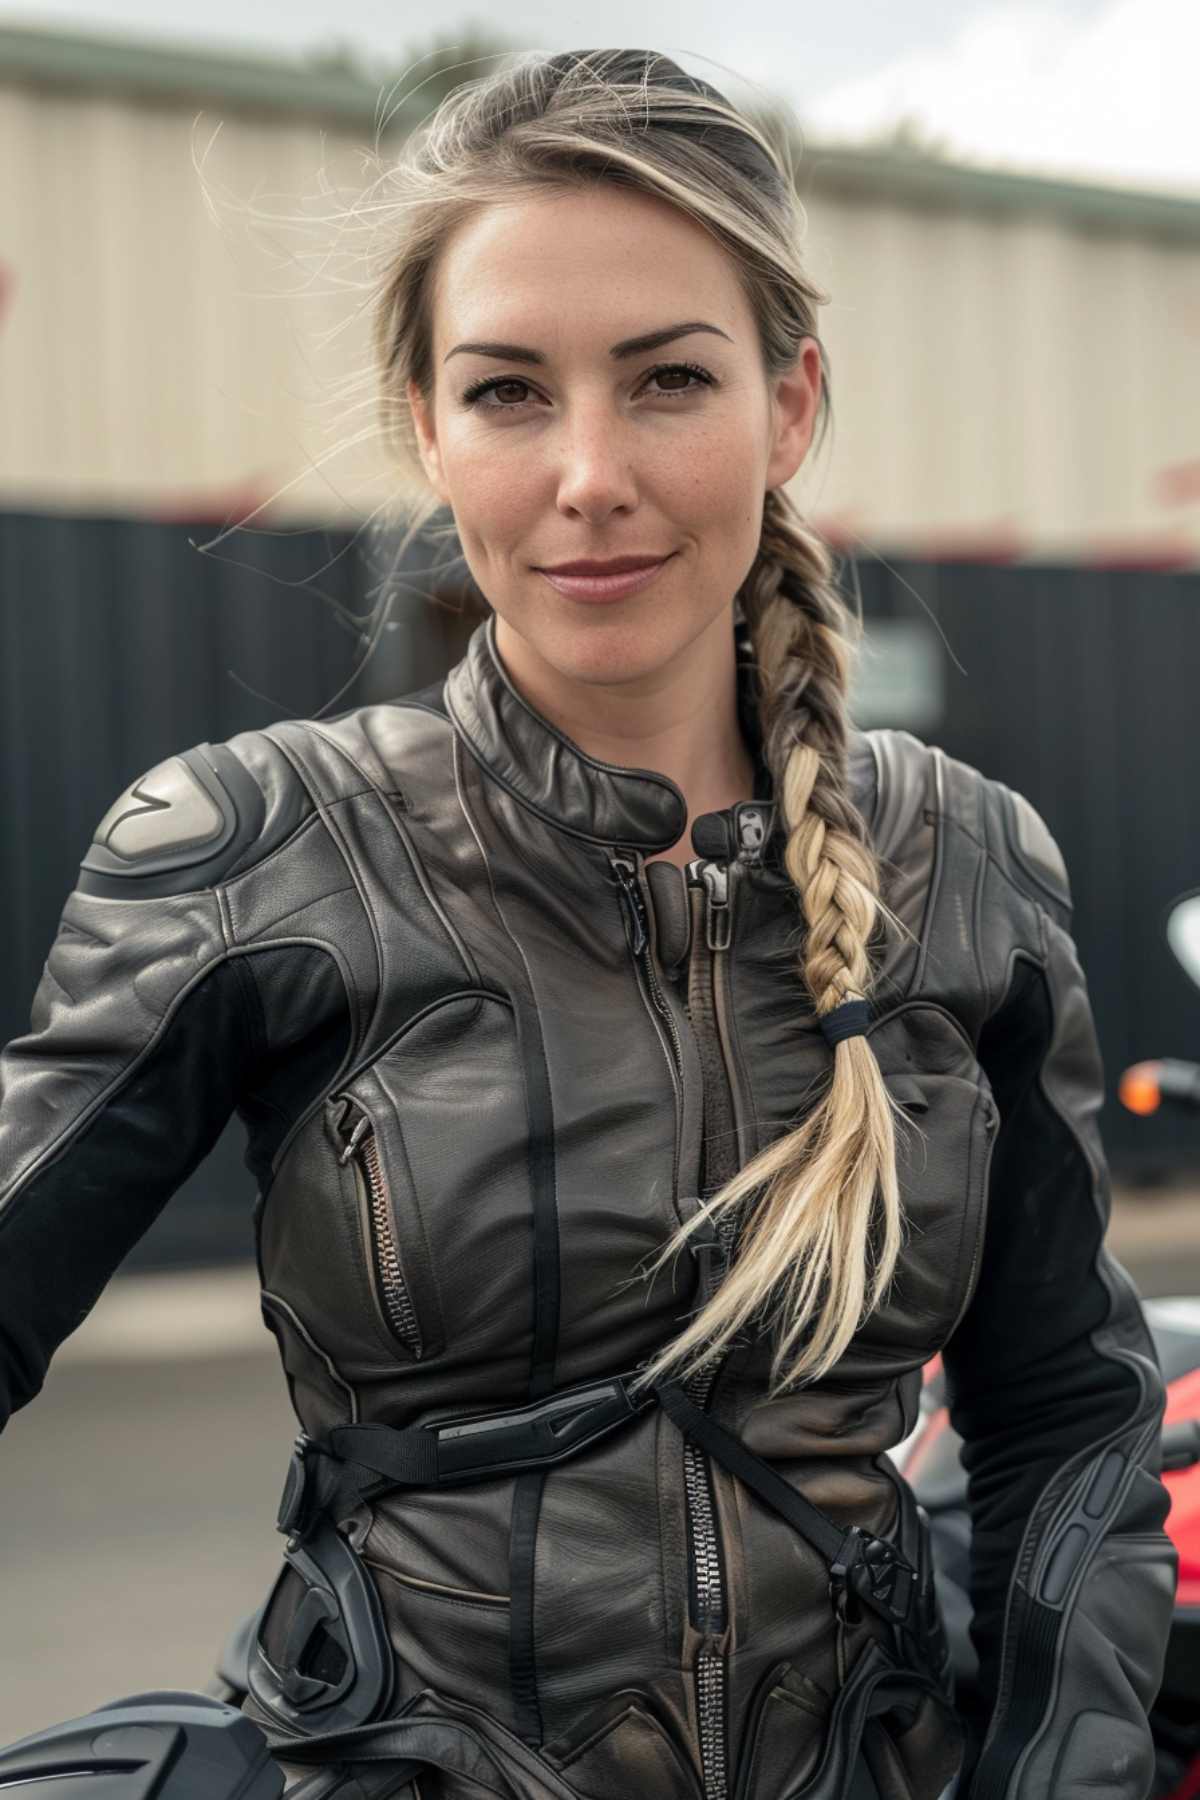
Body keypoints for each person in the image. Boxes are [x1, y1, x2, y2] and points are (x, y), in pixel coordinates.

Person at [0, 46, 1176, 1800]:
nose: (591, 473)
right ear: (426, 427)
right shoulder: (256, 845)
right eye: (509, 392)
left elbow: (1067, 1417)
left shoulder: (967, 861)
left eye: (668, 380)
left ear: (789, 406)